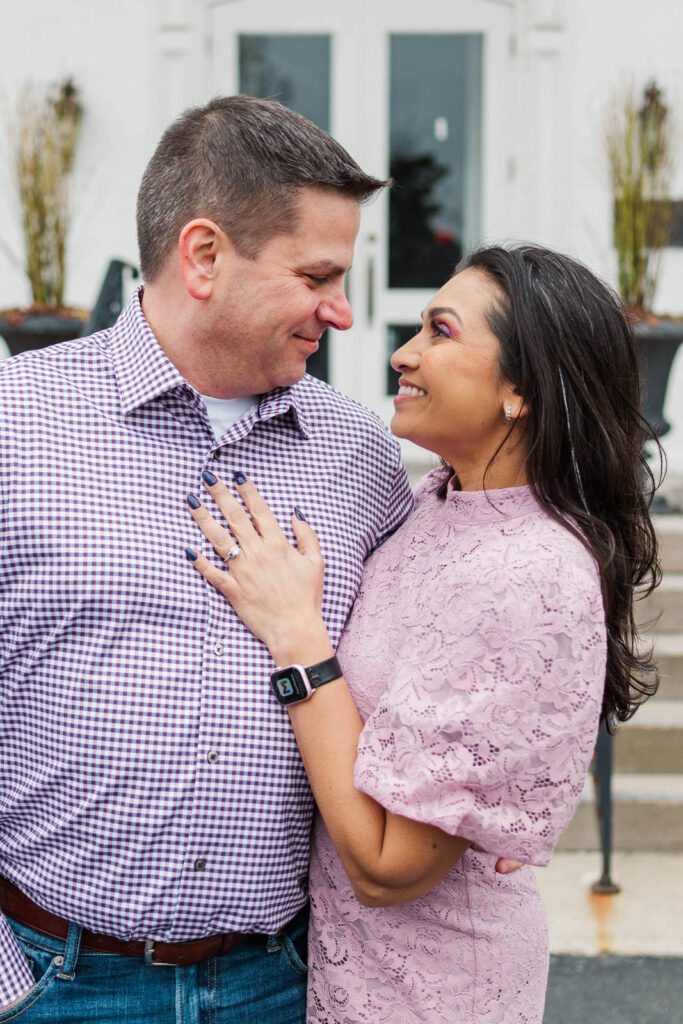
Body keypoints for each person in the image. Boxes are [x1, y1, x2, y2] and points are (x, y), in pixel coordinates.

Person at [0, 96, 415, 1022]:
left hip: (279, 986)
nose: (342, 314)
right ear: (203, 256)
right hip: (54, 985)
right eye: (317, 276)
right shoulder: (14, 423)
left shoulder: (362, 459)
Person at [185, 243, 661, 1023]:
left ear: (522, 391)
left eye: (440, 332)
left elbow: (385, 866)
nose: (403, 354)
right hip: (341, 974)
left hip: (431, 991)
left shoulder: (528, 570)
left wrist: (297, 636)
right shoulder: (436, 504)